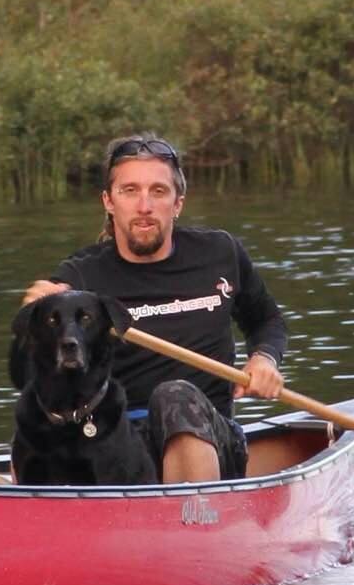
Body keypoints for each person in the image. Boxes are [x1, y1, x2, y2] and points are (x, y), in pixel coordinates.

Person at [21, 133, 287, 483]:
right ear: (109, 202)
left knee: (173, 395)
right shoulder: (81, 276)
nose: (144, 206)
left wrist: (264, 359)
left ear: (177, 203)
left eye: (158, 192)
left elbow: (266, 319)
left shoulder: (219, 253)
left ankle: (193, 521)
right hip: (116, 445)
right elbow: (49, 338)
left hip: (212, 439)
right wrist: (42, 311)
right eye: (130, 191)